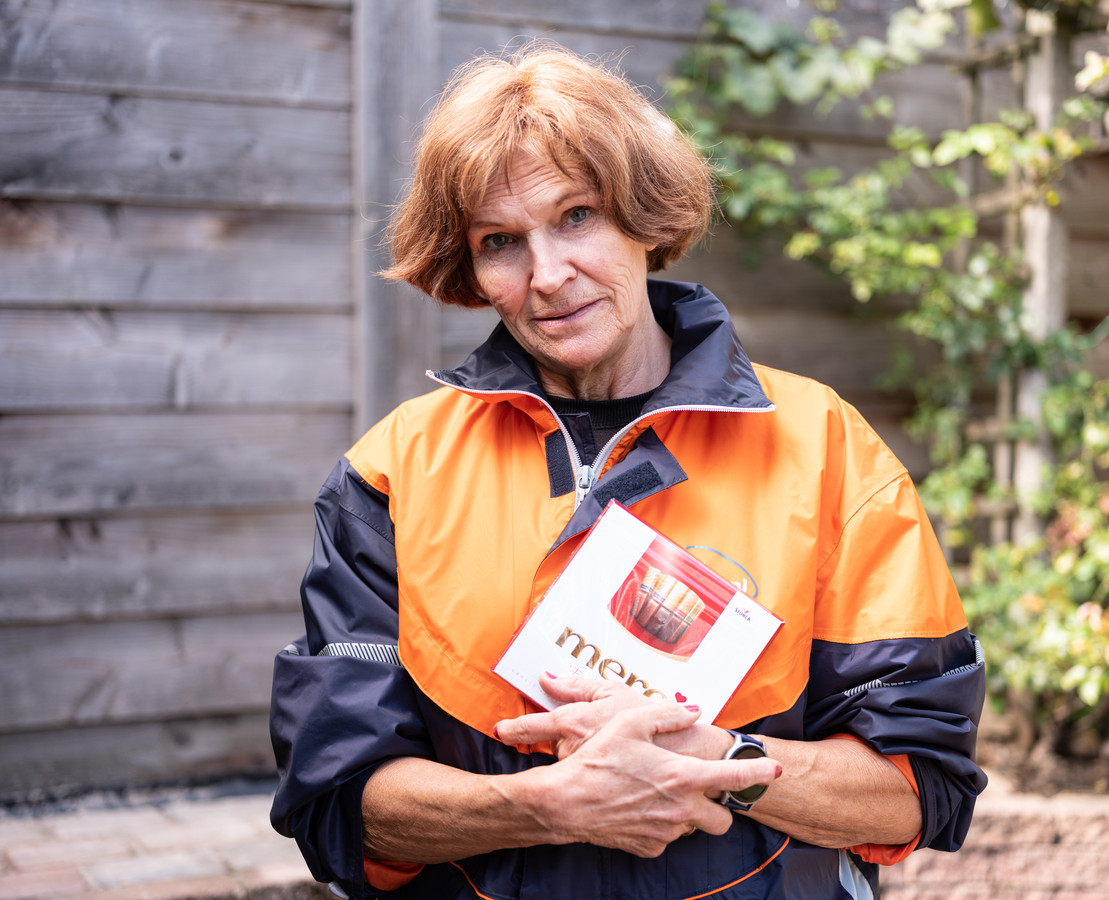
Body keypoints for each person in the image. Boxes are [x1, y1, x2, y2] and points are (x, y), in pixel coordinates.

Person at [269, 45, 987, 900]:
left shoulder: (825, 448)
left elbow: (916, 790)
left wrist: (717, 762)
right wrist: (546, 806)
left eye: (576, 216)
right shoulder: (393, 473)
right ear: (471, 270)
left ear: (644, 215)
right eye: (500, 242)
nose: (547, 276)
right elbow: (340, 805)